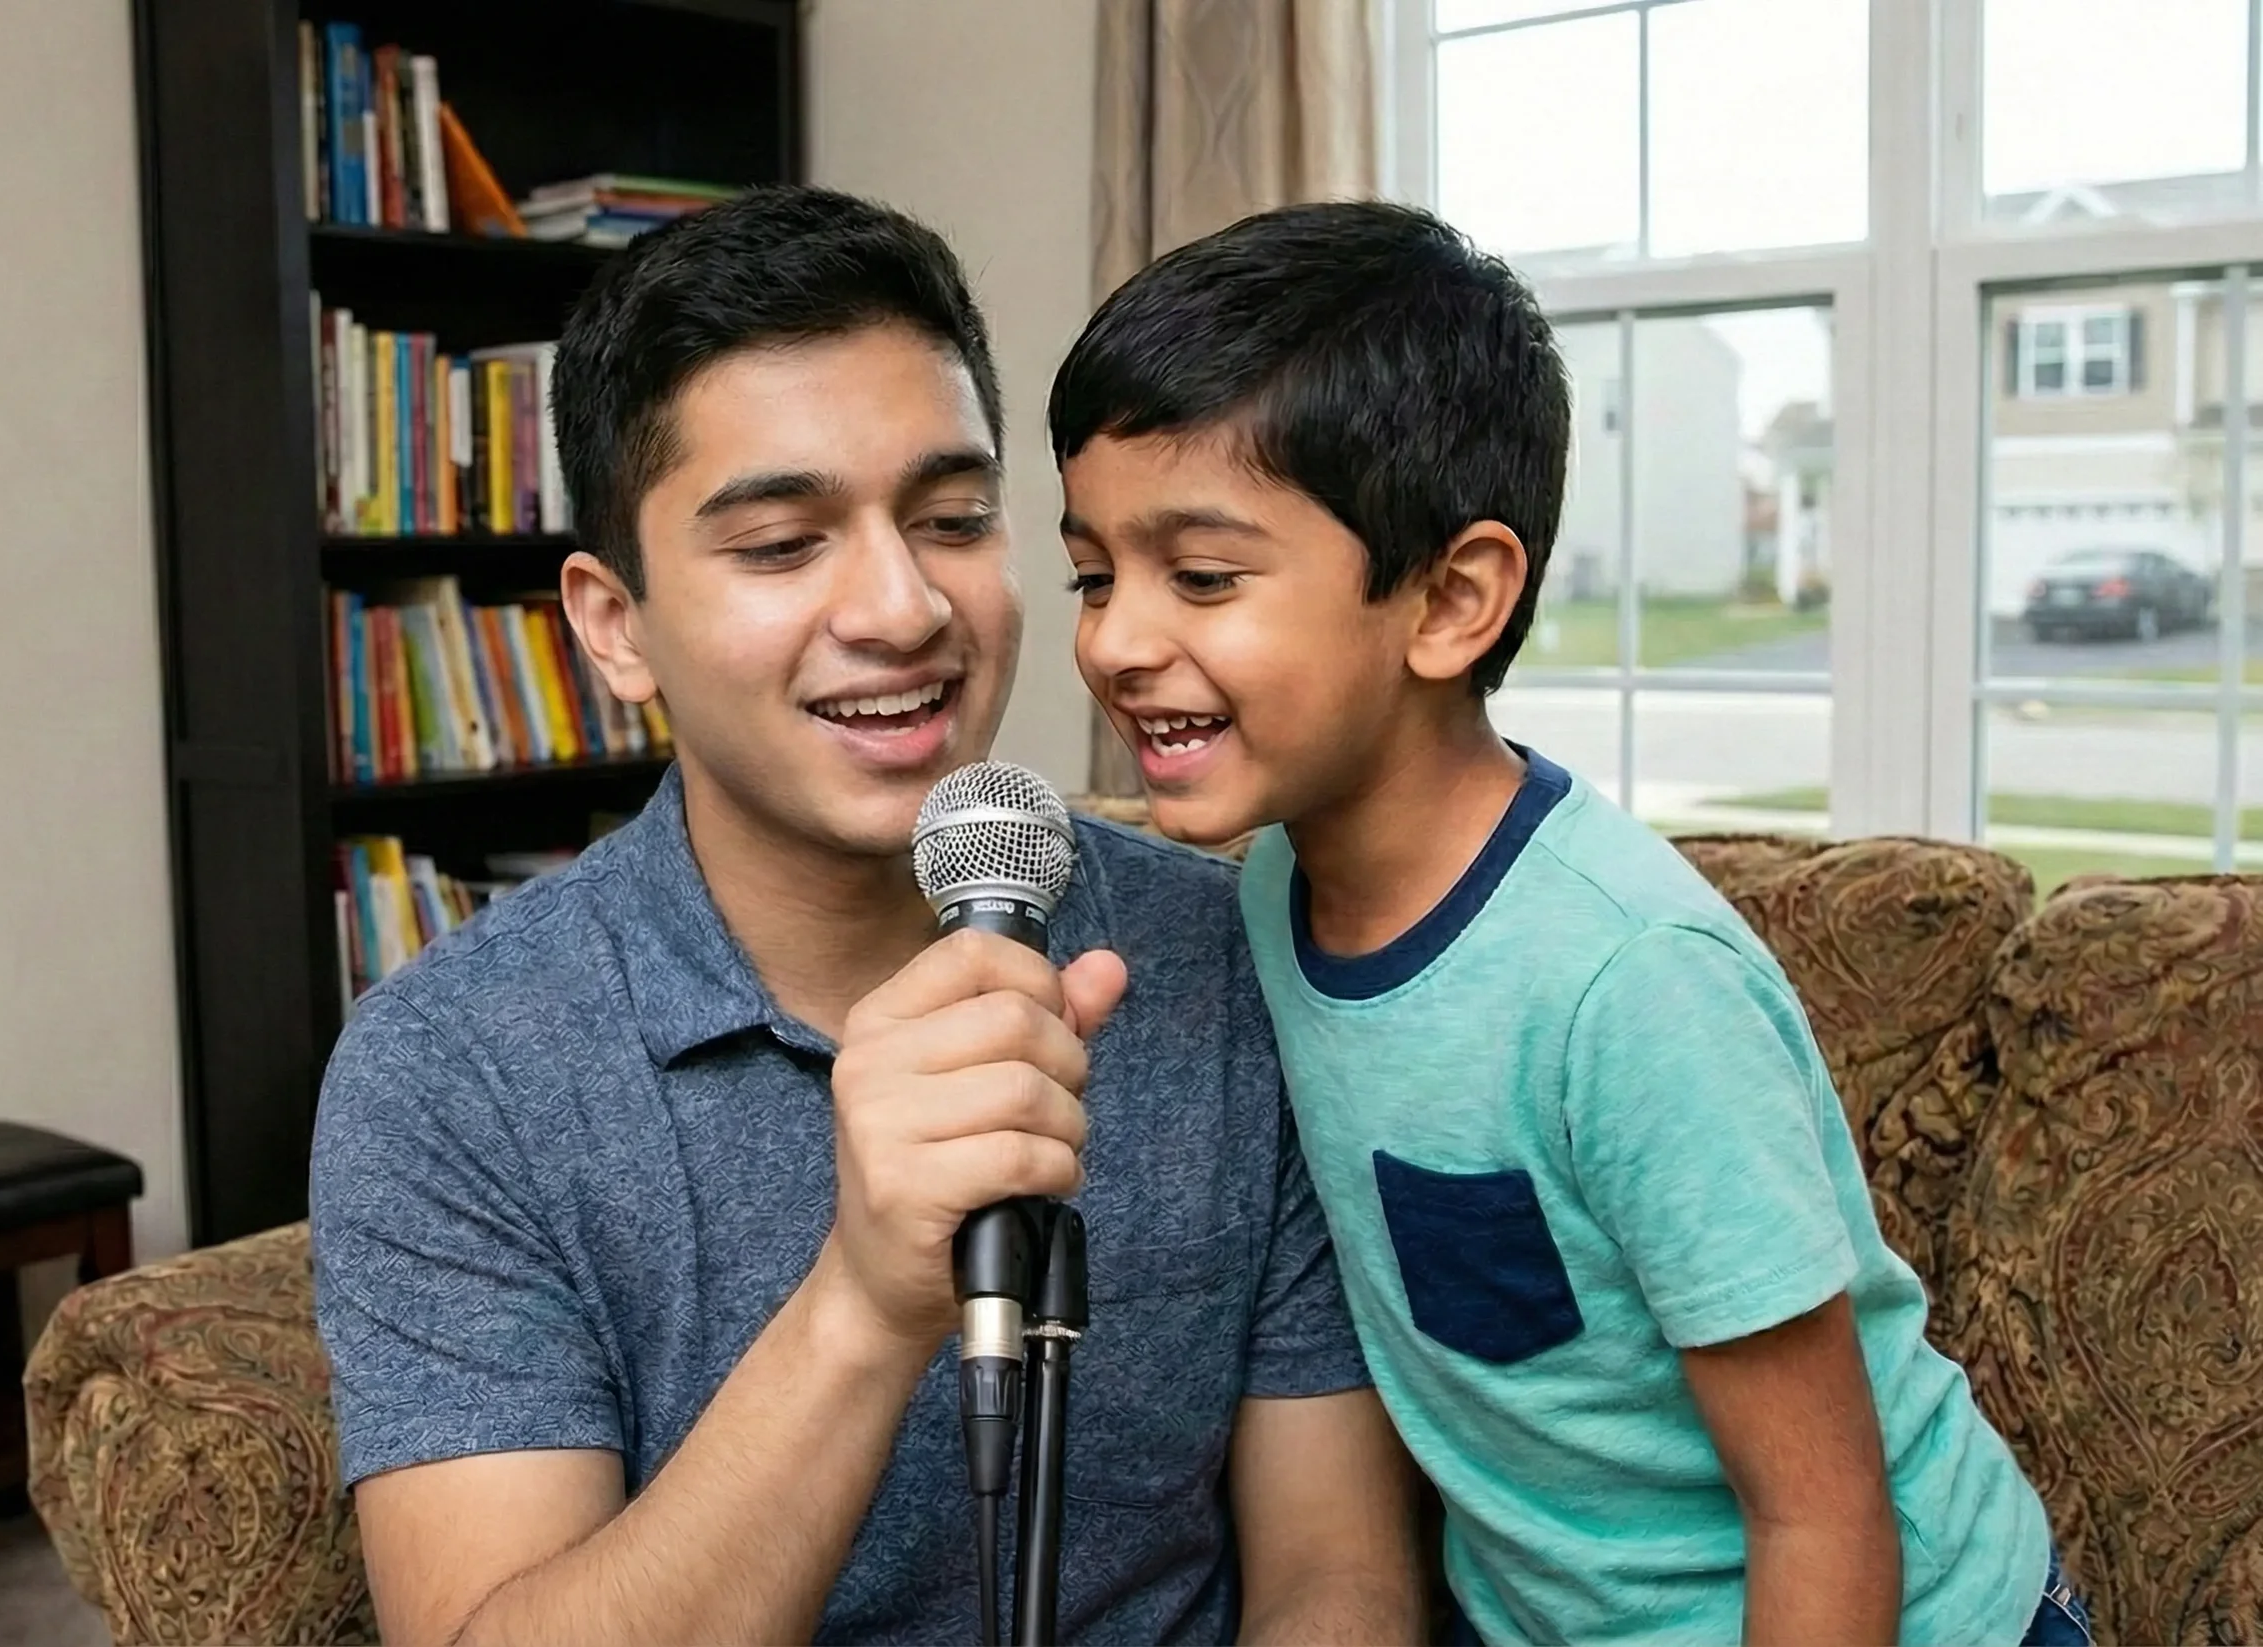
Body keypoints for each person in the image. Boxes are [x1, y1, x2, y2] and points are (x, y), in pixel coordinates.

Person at [309, 184, 1424, 1646]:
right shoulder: (449, 1071)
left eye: (954, 517)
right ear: (614, 623)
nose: (902, 608)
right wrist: (864, 1296)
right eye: (781, 543)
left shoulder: (1232, 955)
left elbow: (1336, 1572)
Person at [1049, 199, 2084, 1647]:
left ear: (1452, 597)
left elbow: (1824, 1514)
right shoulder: (1276, 889)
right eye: (1095, 571)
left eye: (1203, 576)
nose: (1112, 638)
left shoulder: (1628, 981)